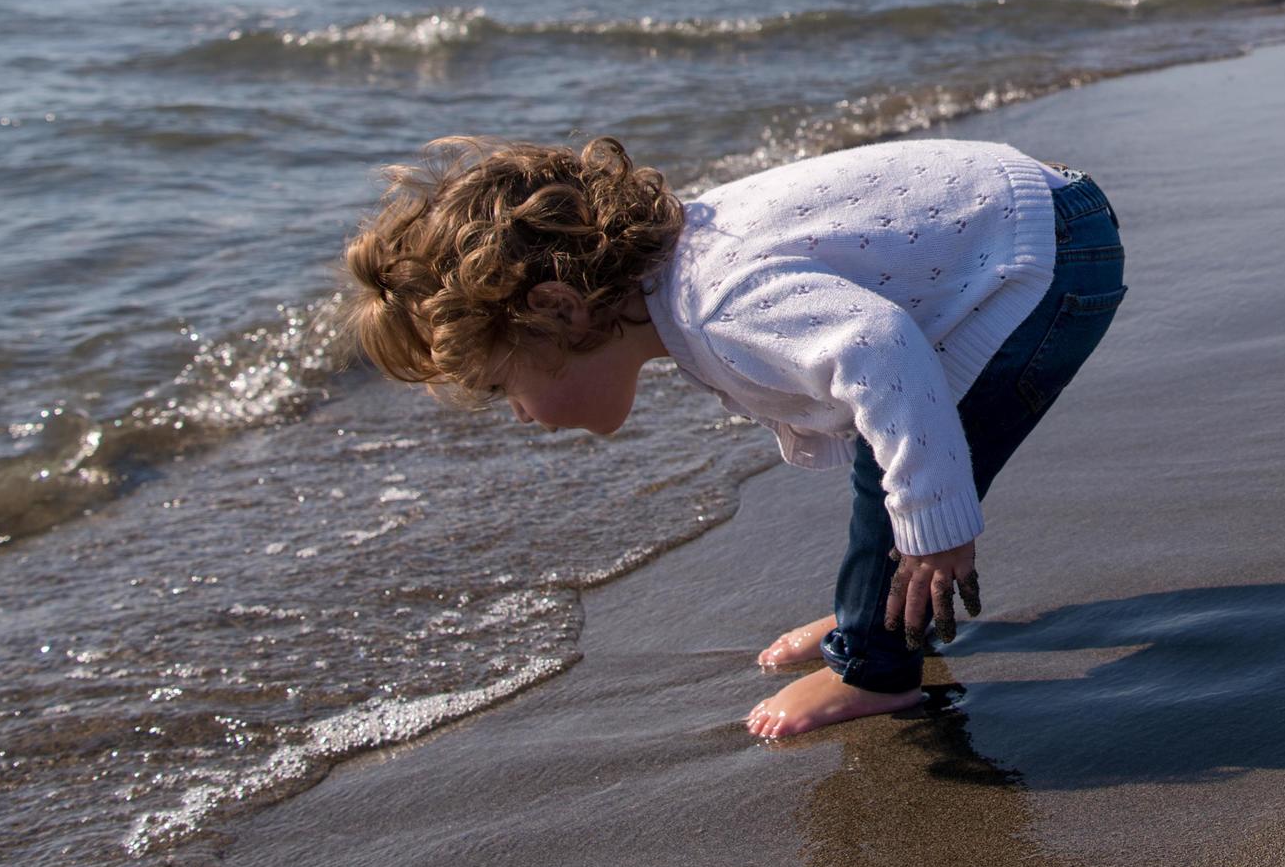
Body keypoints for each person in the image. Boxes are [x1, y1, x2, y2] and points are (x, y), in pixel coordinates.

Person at [343, 134, 1126, 740]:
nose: (516, 413)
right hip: (1025, 215)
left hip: (1044, 258)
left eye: (498, 385)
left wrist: (932, 530)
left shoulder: (720, 306)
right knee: (885, 443)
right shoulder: (680, 273)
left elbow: (879, 346)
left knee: (906, 468)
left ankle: (876, 669)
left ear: (559, 310)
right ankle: (869, 616)